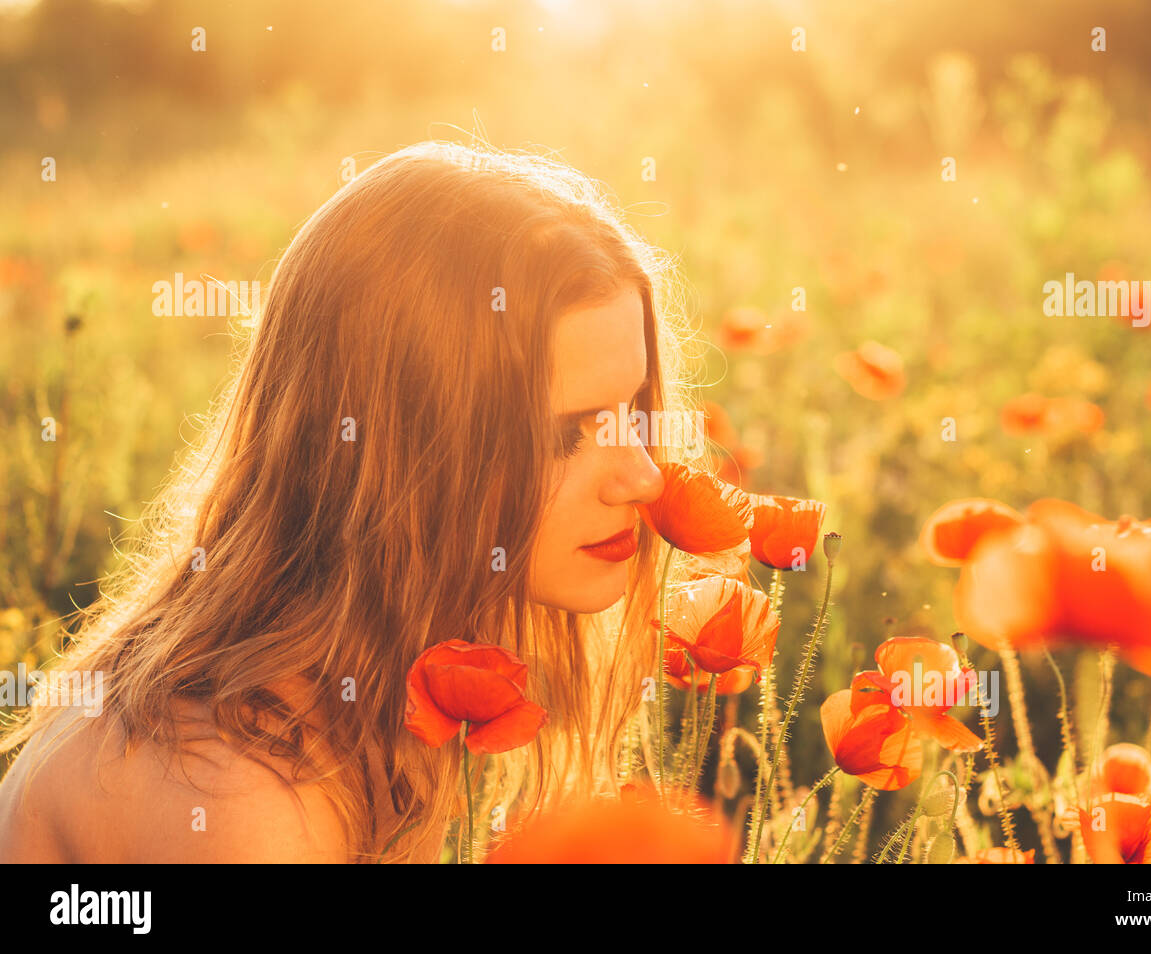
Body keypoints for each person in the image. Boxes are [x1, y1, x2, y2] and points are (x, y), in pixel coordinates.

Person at [0, 139, 706, 862]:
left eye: (633, 413)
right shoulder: (247, 800)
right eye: (562, 437)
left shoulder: (344, 695)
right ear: (403, 453)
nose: (645, 477)